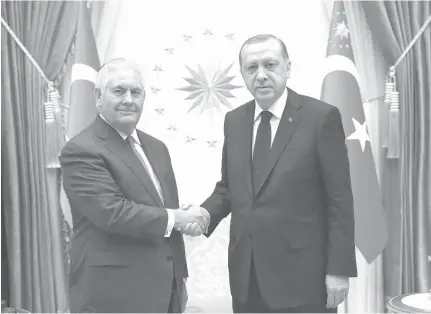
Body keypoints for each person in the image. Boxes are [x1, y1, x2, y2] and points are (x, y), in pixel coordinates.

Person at [182, 34, 357, 312]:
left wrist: (339, 270)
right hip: (246, 278)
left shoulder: (321, 117)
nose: (261, 75)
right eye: (252, 68)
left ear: (288, 68)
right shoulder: (235, 121)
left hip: (304, 281)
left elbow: (340, 200)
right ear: (242, 73)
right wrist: (203, 215)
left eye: (270, 65)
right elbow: (229, 187)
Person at [60, 58, 208, 313]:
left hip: (166, 289)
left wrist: (186, 217)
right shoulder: (81, 149)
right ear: (98, 96)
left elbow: (158, 207)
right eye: (119, 91)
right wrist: (177, 218)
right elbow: (112, 212)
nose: (129, 99)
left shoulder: (156, 147)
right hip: (114, 294)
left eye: (135, 92)